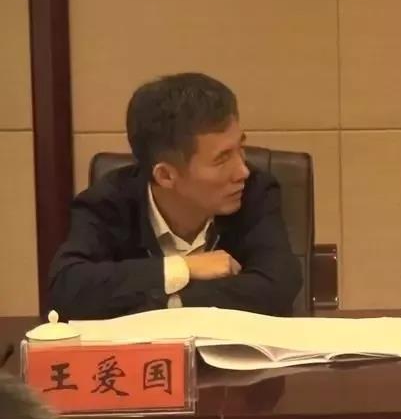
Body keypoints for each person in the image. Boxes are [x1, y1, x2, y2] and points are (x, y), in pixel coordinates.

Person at [48, 73, 301, 320]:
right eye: (222, 159)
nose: (242, 170)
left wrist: (168, 300)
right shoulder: (108, 202)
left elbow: (277, 286)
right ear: (166, 176)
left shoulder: (255, 190)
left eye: (240, 147)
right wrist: (183, 268)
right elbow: (67, 289)